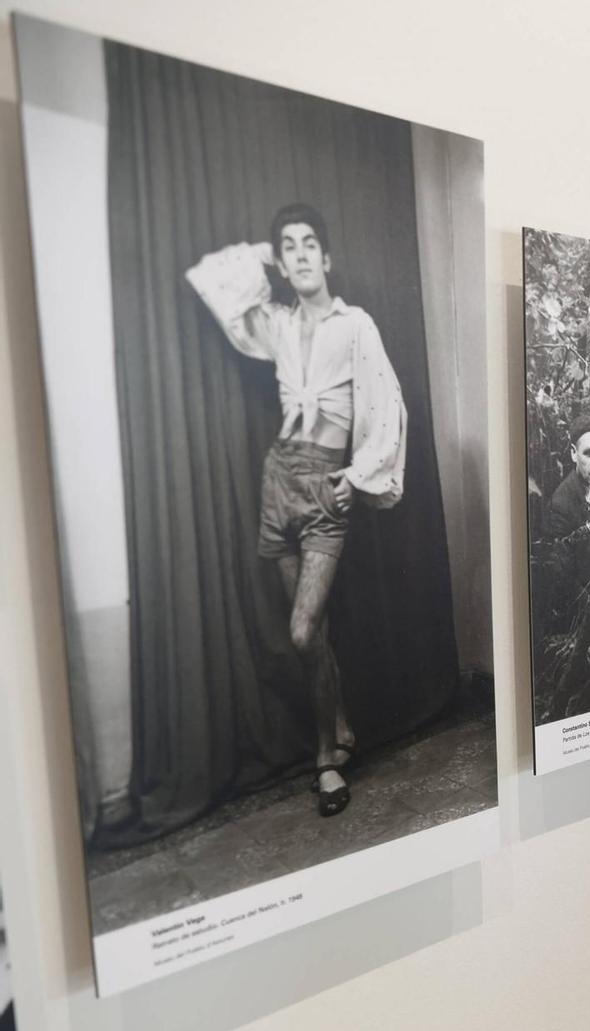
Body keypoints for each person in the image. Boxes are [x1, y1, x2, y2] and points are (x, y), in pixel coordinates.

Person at [186, 203, 408, 818]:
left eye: (311, 242)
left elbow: (388, 404)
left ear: (327, 257)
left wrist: (357, 478)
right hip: (276, 481)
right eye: (290, 246)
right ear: (283, 263)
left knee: (303, 629)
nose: (302, 253)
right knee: (315, 638)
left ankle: (324, 758)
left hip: (324, 489)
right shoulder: (277, 325)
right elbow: (213, 284)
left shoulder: (355, 325)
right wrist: (260, 254)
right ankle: (336, 735)